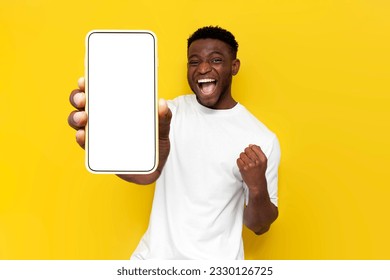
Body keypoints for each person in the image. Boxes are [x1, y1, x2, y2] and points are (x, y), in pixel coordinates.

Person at [68, 26, 281, 259]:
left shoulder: (261, 138)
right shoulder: (168, 114)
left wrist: (257, 186)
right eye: (194, 61)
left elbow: (259, 226)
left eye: (216, 60)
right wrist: (107, 149)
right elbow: (143, 175)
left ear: (234, 66)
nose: (203, 68)